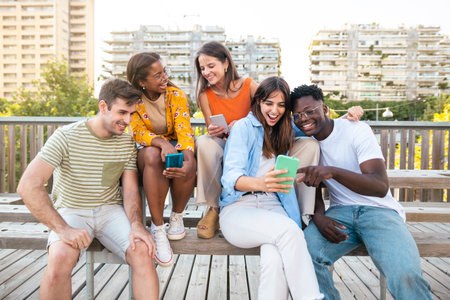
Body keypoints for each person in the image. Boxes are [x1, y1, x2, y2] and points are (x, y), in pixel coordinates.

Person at [16, 79, 159, 300]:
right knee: (60, 257)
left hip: (110, 211)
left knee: (143, 251)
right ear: (103, 107)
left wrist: (137, 224)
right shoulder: (66, 136)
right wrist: (63, 229)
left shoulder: (127, 141)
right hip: (72, 211)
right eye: (122, 112)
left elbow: (130, 191)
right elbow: (28, 185)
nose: (127, 121)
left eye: (132, 114)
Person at [291, 84, 433, 300]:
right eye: (297, 115)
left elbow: (379, 186)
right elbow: (312, 187)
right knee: (305, 255)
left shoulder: (356, 130)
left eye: (310, 111)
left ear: (325, 109)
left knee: (405, 274)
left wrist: (333, 172)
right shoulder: (306, 142)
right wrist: (318, 217)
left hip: (380, 211)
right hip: (340, 212)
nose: (304, 118)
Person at [194, 41, 320, 238]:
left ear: (226, 63)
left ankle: (303, 213)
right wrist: (215, 129)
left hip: (257, 140)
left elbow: (270, 106)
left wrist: (243, 124)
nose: (206, 72)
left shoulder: (248, 85)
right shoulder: (205, 95)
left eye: (211, 66)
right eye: (202, 68)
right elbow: (213, 128)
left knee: (309, 145)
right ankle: (214, 209)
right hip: (229, 142)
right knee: (203, 142)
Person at [219, 77, 323, 300]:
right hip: (239, 208)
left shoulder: (284, 128)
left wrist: (346, 118)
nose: (275, 110)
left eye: (281, 105)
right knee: (289, 231)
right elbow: (230, 178)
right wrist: (260, 183)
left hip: (274, 207)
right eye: (269, 103)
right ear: (258, 102)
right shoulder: (243, 128)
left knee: (274, 260)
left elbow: (315, 124)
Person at [127, 52, 196, 267]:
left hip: (174, 147)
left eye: (164, 72)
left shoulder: (176, 96)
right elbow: (138, 132)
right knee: (152, 153)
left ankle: (176, 217)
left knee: (186, 157)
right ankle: (157, 228)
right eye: (157, 75)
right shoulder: (133, 101)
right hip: (149, 154)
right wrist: (161, 143)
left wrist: (187, 160)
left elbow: (184, 133)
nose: (164, 77)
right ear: (142, 82)